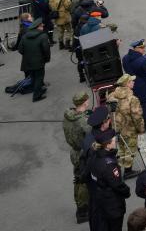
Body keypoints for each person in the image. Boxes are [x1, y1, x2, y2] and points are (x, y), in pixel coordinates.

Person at [87, 128, 130, 231]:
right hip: (112, 206)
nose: (116, 142)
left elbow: (87, 174)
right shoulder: (109, 165)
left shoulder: (93, 157)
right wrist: (127, 191)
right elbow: (117, 185)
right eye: (114, 140)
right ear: (108, 145)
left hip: (98, 201)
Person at [108, 74, 145, 180]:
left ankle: (118, 168)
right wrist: (141, 129)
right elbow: (137, 117)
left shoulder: (112, 96)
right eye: (131, 81)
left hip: (117, 128)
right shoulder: (132, 99)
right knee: (131, 149)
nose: (133, 82)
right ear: (127, 84)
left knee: (121, 148)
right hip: (130, 129)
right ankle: (128, 171)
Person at [63, 91, 91, 223]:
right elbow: (91, 132)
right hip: (82, 153)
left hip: (74, 152)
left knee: (79, 179)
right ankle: (82, 211)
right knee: (82, 182)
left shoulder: (69, 116)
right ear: (85, 102)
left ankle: (82, 207)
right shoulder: (82, 121)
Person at [122, 40, 146, 130]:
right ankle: (143, 126)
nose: (144, 50)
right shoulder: (143, 60)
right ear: (136, 48)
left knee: (133, 106)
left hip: (130, 85)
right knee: (144, 107)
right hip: (143, 87)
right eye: (142, 48)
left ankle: (133, 124)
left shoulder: (125, 58)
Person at [17, 18, 50, 101]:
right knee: (39, 78)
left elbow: (20, 49)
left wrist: (28, 56)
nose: (43, 27)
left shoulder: (25, 36)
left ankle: (38, 90)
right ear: (38, 27)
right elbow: (46, 50)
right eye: (42, 26)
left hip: (28, 62)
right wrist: (46, 59)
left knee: (33, 77)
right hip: (39, 61)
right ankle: (36, 96)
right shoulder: (43, 36)